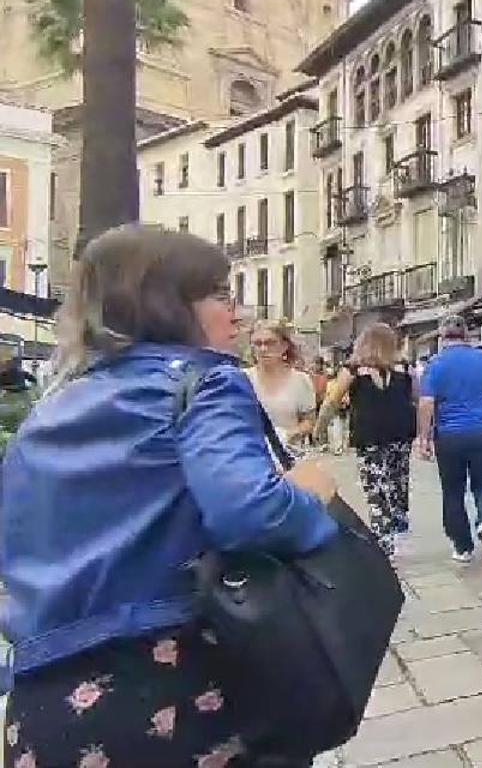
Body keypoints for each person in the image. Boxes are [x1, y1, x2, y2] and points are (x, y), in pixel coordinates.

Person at [0, 226, 337, 766]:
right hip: (170, 687)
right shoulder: (203, 381)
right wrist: (311, 498)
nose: (238, 315)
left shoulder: (51, 410)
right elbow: (251, 511)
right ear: (168, 304)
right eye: (222, 296)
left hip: (42, 706)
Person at [315, 324, 416, 556]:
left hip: (369, 434)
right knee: (398, 479)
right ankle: (398, 521)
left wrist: (320, 428)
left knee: (375, 485)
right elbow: (415, 398)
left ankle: (384, 535)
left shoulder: (353, 369)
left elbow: (332, 400)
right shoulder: (403, 368)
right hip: (400, 432)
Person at [417, 315, 482, 562]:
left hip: (449, 435)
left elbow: (426, 403)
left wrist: (423, 439)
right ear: (467, 335)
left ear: (441, 336)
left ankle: (462, 546)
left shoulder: (435, 365)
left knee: (452, 490)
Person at [246, 320, 317, 452]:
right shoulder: (243, 379)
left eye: (270, 343)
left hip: (288, 456)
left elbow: (309, 422)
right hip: (251, 456)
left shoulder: (300, 380)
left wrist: (288, 434)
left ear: (284, 346)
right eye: (257, 343)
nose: (263, 349)